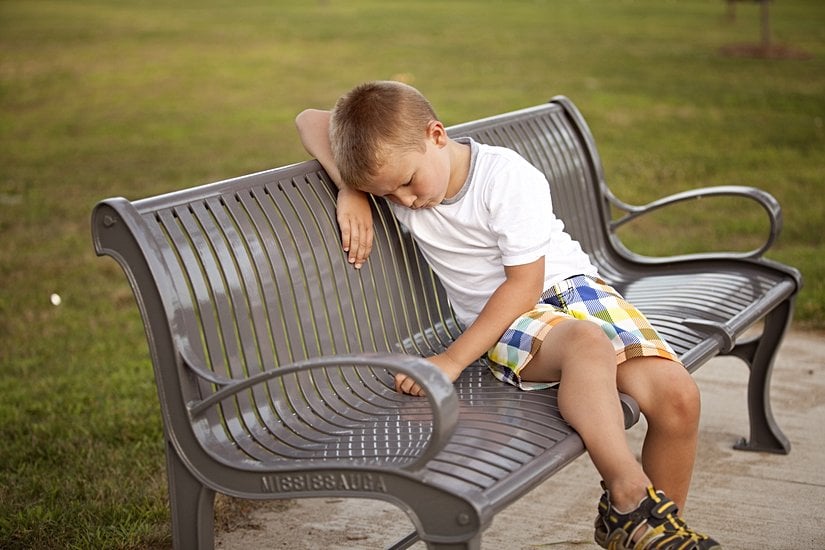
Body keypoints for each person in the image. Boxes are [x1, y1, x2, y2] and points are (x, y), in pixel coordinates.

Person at [295, 80, 720, 550]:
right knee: (586, 345)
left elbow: (527, 282)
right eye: (388, 194)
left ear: (437, 135)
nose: (405, 201)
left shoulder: (505, 177)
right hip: (505, 322)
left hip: (574, 291)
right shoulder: (401, 177)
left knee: (679, 398)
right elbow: (310, 119)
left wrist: (450, 362)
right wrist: (351, 189)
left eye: (408, 183)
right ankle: (629, 498)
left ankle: (655, 535)